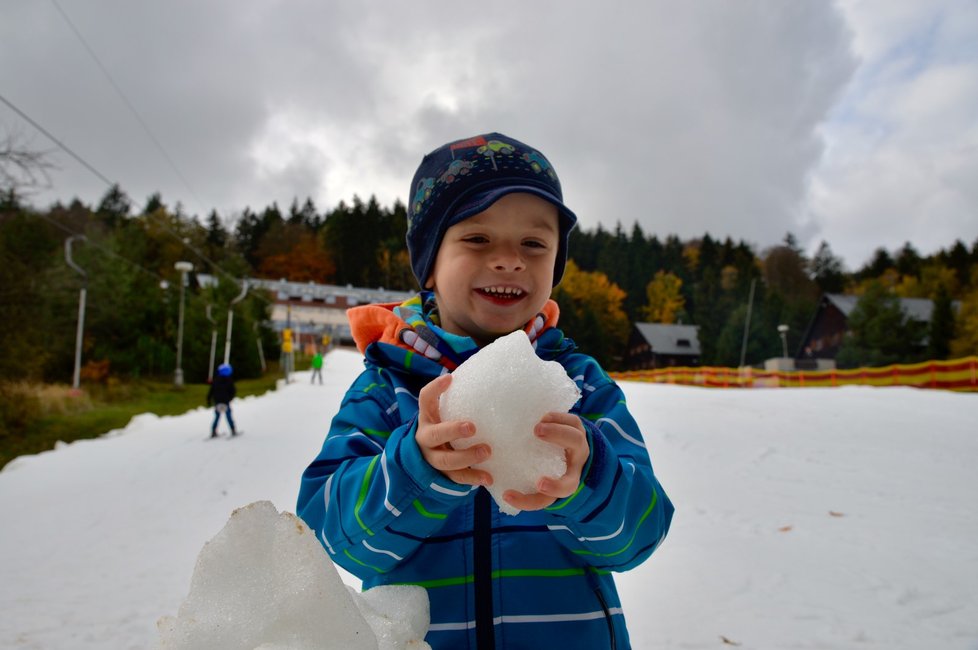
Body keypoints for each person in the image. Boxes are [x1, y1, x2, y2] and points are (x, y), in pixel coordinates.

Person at [296, 132, 674, 649]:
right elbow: (329, 538)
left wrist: (589, 478)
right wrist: (415, 468)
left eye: (534, 244)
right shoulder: (388, 388)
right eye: (477, 239)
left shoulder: (580, 385)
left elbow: (640, 536)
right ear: (430, 263)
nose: (509, 260)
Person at [206, 363, 237, 437]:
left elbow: (211, 391)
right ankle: (233, 430)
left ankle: (213, 431)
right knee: (228, 416)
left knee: (217, 417)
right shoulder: (229, 380)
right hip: (226, 401)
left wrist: (209, 400)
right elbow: (233, 391)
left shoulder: (215, 380)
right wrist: (230, 398)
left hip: (217, 402)